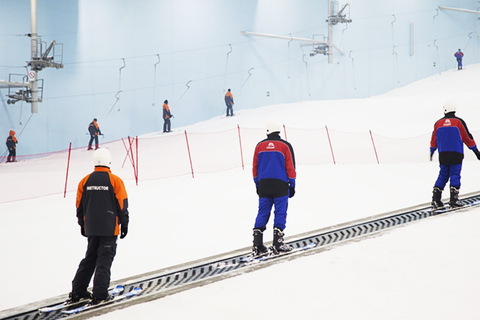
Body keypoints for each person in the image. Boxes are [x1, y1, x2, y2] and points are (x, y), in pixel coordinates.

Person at [68, 148, 129, 305]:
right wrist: (124, 223)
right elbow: (122, 204)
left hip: (92, 228)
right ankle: (100, 295)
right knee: (104, 260)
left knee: (90, 258)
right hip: (109, 228)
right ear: (109, 161)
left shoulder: (85, 181)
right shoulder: (115, 180)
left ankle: (78, 290)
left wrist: (83, 225)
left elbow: (79, 206)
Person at [251, 119, 296, 256]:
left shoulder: (259, 146)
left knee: (263, 211)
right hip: (280, 184)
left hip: (264, 184)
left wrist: (257, 184)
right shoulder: (285, 146)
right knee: (280, 211)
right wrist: (292, 185)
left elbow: (255, 168)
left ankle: (257, 245)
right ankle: (278, 243)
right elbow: (291, 167)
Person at [430, 101, 480, 209]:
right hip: (456, 153)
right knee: (455, 174)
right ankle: (454, 199)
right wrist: (476, 151)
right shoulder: (459, 122)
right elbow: (467, 137)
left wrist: (432, 151)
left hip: (443, 154)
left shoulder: (438, 123)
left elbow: (434, 139)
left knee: (443, 174)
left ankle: (436, 199)